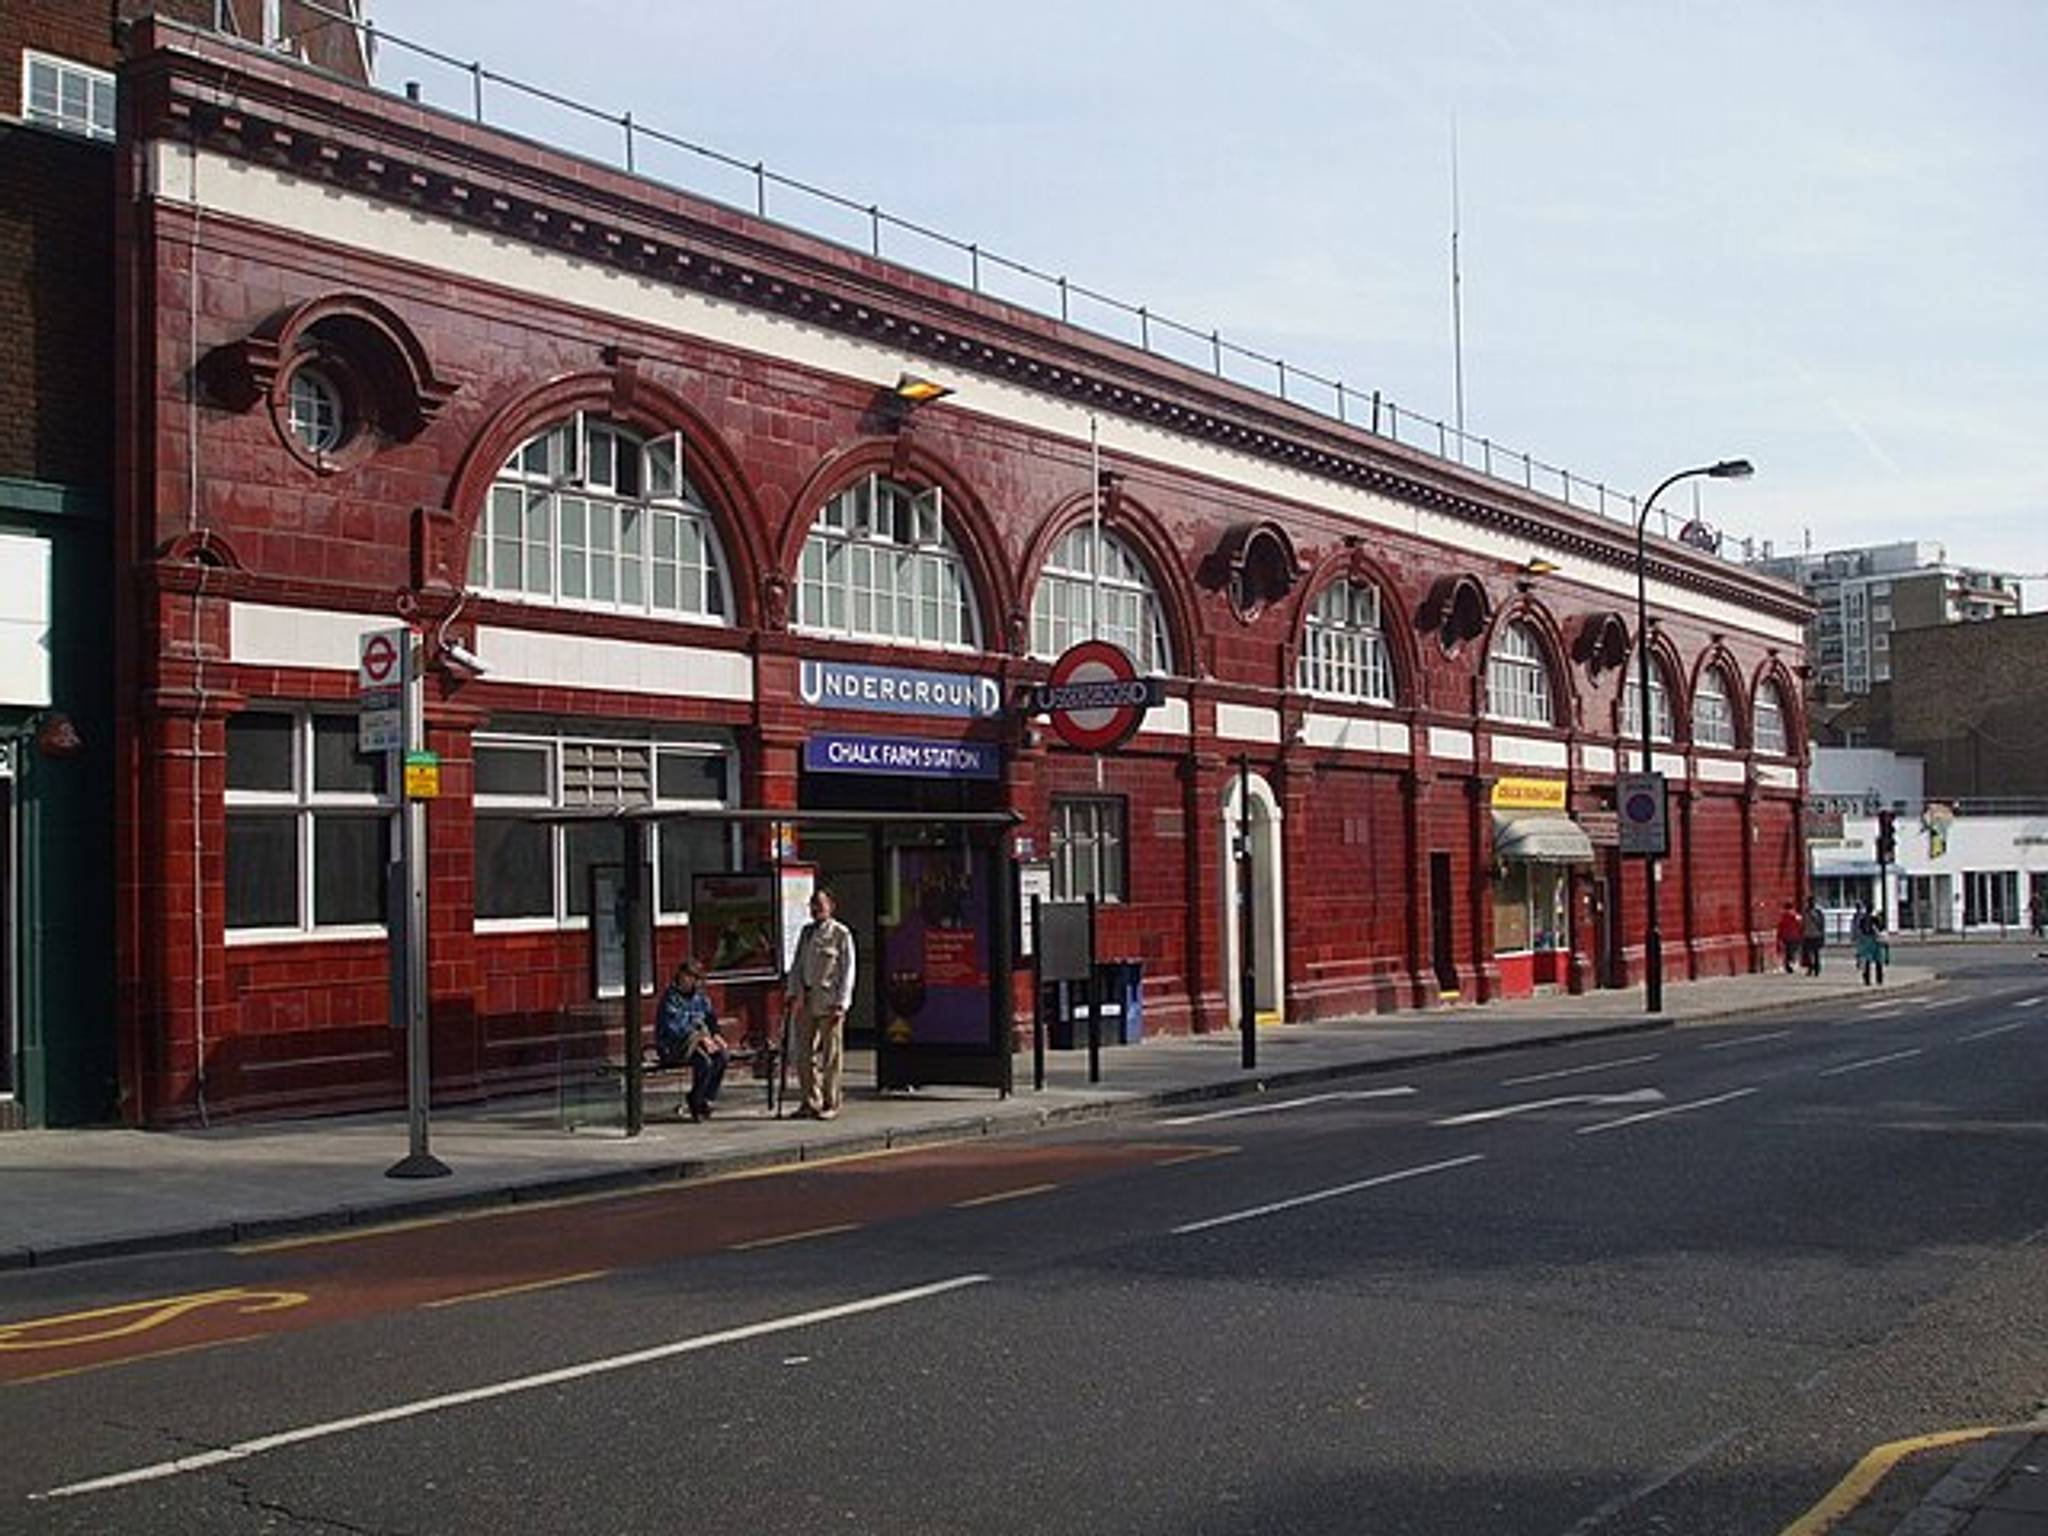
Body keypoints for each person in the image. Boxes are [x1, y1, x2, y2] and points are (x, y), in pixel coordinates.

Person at [786, 887, 856, 1121]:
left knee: (831, 1056)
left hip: (829, 1001)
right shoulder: (806, 932)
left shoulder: (840, 933)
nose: (816, 909)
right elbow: (797, 964)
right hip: (806, 999)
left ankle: (831, 1102)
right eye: (813, 905)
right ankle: (809, 1101)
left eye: (820, 904)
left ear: (831, 907)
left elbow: (848, 970)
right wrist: (792, 992)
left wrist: (842, 1002)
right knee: (803, 1053)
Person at [654, 961, 726, 1122]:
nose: (694, 982)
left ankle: (706, 1097)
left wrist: (716, 1034)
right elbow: (674, 1028)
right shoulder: (671, 998)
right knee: (704, 1062)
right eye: (691, 977)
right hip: (674, 1045)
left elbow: (710, 1017)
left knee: (721, 1057)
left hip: (700, 1042)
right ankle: (695, 1100)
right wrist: (700, 1038)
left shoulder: (700, 996)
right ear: (682, 976)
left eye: (697, 979)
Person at [1852, 900, 1888, 987]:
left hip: (1865, 940)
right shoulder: (1875, 919)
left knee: (1867, 960)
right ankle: (1879, 979)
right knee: (1878, 960)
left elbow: (1860, 929)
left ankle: (1867, 980)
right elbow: (1881, 928)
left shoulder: (1863, 919)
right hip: (1875, 940)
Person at [1775, 901, 1804, 974]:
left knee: (1789, 951)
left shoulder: (1784, 917)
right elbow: (1801, 926)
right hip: (1794, 936)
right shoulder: (1796, 916)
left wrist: (1779, 937)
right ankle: (1790, 965)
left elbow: (1780, 927)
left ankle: (1789, 965)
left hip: (1787, 937)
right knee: (1792, 951)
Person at [1801, 898, 1825, 977]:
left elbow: (1821, 924)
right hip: (1811, 935)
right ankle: (1813, 968)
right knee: (1811, 953)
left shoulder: (1813, 912)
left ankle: (1814, 969)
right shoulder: (1808, 912)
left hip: (1813, 935)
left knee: (1814, 953)